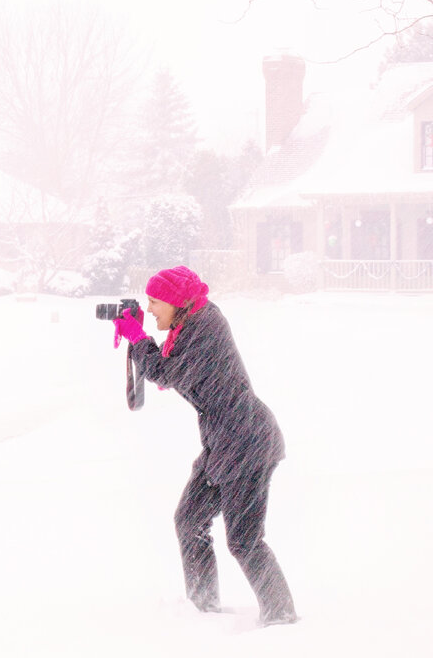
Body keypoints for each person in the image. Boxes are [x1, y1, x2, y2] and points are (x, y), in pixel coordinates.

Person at [112, 265, 298, 627]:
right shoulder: (191, 324)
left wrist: (137, 338)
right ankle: (203, 610)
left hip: (247, 443)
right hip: (224, 444)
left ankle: (282, 618)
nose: (149, 309)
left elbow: (166, 373)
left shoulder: (205, 327)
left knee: (245, 541)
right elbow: (169, 370)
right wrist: (139, 340)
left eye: (154, 301)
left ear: (176, 301)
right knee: (189, 520)